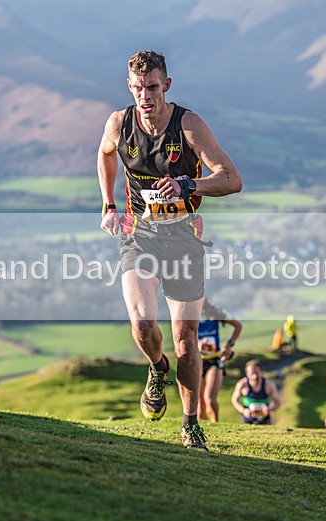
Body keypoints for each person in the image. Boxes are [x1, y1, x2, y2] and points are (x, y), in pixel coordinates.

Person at [98, 50, 242, 450]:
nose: (146, 96)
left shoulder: (189, 125)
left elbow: (232, 179)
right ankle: (157, 369)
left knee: (185, 339)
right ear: (130, 86)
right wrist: (109, 204)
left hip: (182, 236)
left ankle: (191, 423)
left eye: (154, 88)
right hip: (139, 233)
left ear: (167, 86)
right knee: (143, 325)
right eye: (139, 88)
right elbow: (105, 153)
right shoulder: (118, 123)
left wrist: (188, 186)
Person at [197, 298, 242, 422]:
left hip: (214, 359)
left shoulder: (217, 313)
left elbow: (238, 326)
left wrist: (229, 345)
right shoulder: (187, 315)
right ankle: (201, 431)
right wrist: (198, 345)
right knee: (200, 405)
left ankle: (216, 425)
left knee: (209, 399)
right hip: (197, 361)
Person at [231, 360, 280, 425]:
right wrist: (243, 411)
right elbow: (234, 400)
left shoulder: (269, 385)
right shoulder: (242, 384)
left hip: (265, 420)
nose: (255, 376)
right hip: (248, 420)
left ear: (261, 372)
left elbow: (277, 402)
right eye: (252, 374)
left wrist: (269, 409)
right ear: (247, 374)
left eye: (257, 373)